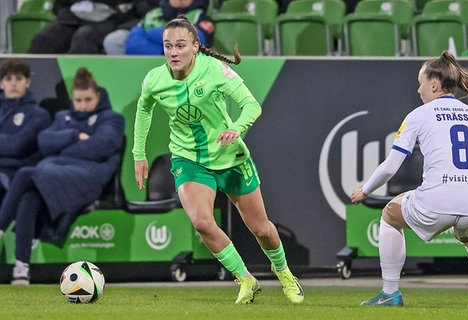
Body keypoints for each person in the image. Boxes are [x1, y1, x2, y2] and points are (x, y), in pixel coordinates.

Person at [132, 15, 303, 304]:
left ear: (196, 47)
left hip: (230, 158)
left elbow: (251, 105)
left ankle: (284, 272)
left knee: (261, 228)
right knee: (201, 222)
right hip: (189, 159)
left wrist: (236, 128)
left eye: (180, 46)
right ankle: (246, 279)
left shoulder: (216, 71)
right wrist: (139, 154)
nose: (173, 52)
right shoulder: (154, 80)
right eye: (168, 46)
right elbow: (144, 109)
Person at [350, 51, 468, 308]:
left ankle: (389, 293)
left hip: (436, 202)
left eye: (421, 82)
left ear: (434, 84)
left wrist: (364, 191)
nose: (418, 89)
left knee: (390, 214)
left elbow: (391, 167)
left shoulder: (418, 115)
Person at [0, 67, 125, 285]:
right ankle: (22, 269)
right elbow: (45, 142)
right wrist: (75, 136)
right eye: (78, 100)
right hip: (55, 171)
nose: (83, 105)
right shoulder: (62, 117)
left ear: (98, 96)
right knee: (30, 194)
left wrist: (62, 147)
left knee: (26, 174)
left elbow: (100, 148)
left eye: (88, 99)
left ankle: (0, 229)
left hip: (89, 177)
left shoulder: (112, 118)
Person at [0, 58, 51, 206]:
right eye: (8, 79)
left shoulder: (39, 115)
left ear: (27, 82)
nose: (14, 83)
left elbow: (17, 147)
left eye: (19, 78)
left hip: (15, 175)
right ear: (1, 84)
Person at [28, 0, 145, 54]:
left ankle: (80, 97)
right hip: (70, 16)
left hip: (111, 18)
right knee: (43, 39)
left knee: (83, 38)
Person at [123, 0, 214, 55]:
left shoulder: (200, 16)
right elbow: (132, 45)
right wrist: (163, 53)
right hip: (150, 70)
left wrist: (154, 36)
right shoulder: (152, 15)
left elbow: (198, 41)